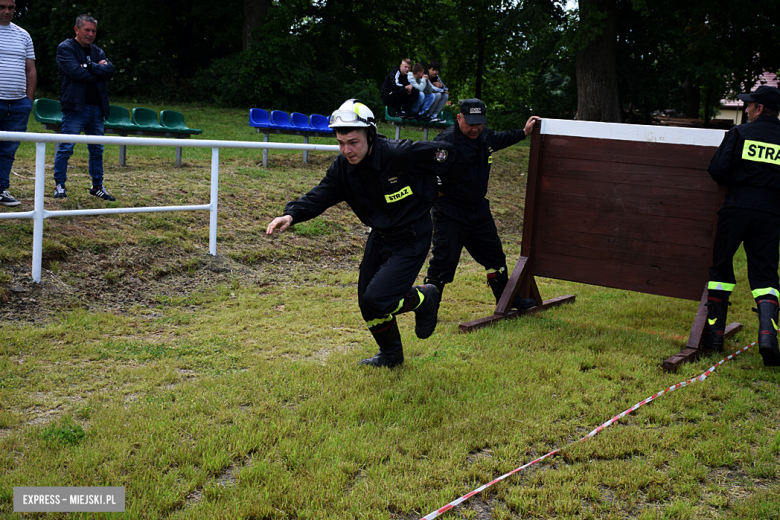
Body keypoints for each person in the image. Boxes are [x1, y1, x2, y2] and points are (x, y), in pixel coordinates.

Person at [266, 99, 456, 368]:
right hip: (380, 236)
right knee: (367, 302)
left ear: (370, 134)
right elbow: (321, 194)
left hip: (413, 235)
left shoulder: (398, 153)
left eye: (353, 142)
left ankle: (425, 297)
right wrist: (291, 214)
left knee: (379, 298)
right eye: (341, 143)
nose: (346, 150)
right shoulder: (342, 168)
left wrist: (440, 186)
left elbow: (445, 154)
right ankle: (391, 355)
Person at [424, 98, 541, 311]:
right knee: (444, 260)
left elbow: (500, 138)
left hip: (478, 210)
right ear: (458, 118)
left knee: (495, 255)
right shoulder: (445, 143)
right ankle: (428, 308)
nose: (476, 128)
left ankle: (507, 300)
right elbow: (427, 173)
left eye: (479, 123)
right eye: (470, 123)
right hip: (450, 211)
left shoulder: (484, 135)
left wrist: (523, 132)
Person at [703, 85, 780, 366]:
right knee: (765, 275)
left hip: (736, 208)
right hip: (771, 213)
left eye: (749, 106)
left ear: (759, 109)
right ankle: (768, 336)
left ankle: (713, 337)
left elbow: (717, 170)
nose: (746, 109)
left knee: (721, 268)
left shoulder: (739, 133)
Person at [52, 14, 115, 201]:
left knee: (97, 149)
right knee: (66, 147)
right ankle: (59, 185)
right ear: (76, 29)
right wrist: (97, 71)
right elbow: (74, 72)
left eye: (93, 30)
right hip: (75, 107)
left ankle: (97, 186)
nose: (90, 34)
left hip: (97, 108)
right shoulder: (66, 48)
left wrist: (88, 65)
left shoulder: (97, 51)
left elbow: (109, 71)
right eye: (87, 30)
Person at [0, 0, 36, 207]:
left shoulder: (23, 34)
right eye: (1, 6)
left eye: (10, 7)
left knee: (8, 150)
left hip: (18, 104)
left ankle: (1, 189)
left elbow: (30, 69)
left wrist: (27, 101)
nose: (6, 11)